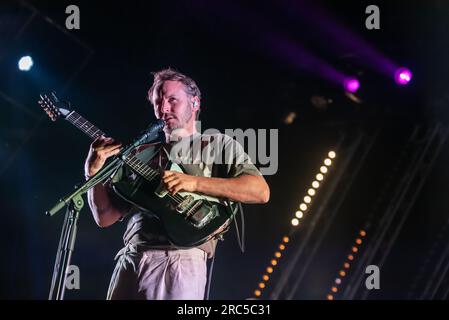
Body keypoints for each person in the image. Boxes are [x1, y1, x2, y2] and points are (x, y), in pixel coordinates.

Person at [84, 69, 270, 300]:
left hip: (178, 258)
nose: (163, 109)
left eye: (172, 100)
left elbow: (259, 191)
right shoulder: (141, 153)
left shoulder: (218, 144)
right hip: (131, 257)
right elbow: (105, 217)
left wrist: (192, 182)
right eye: (158, 102)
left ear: (194, 103)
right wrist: (92, 172)